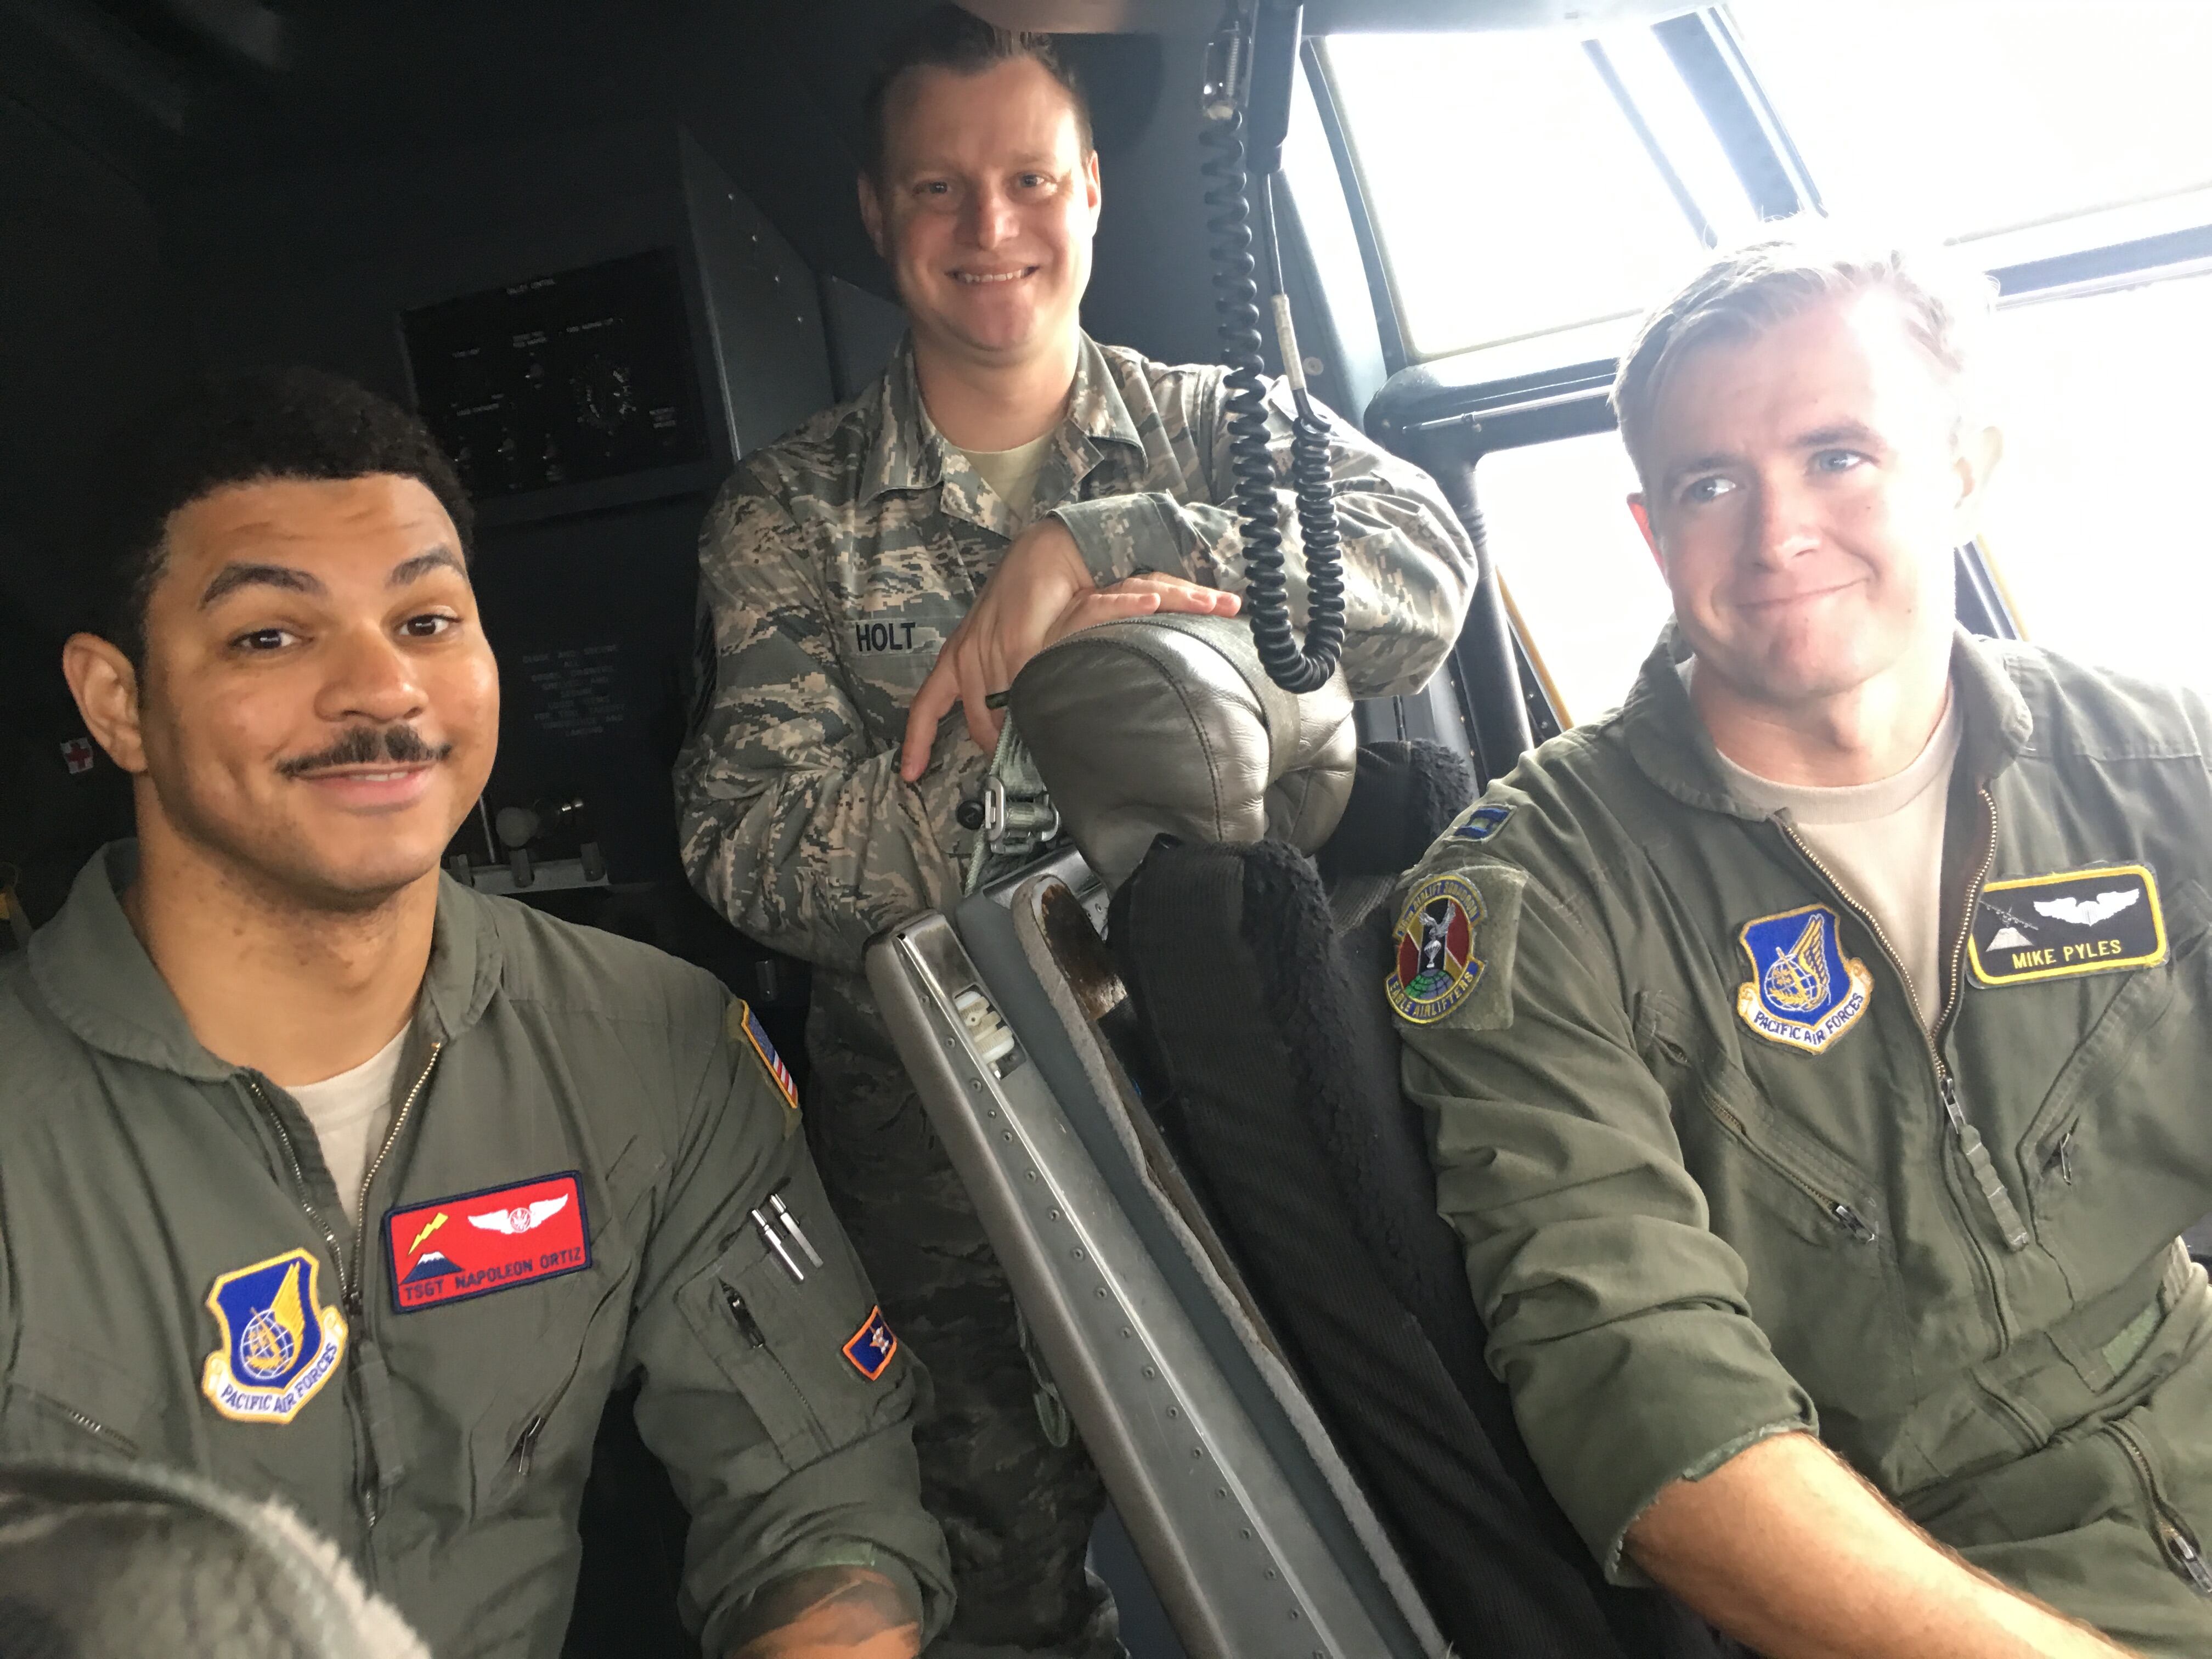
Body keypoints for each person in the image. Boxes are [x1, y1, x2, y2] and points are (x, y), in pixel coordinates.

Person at [673, 9, 1475, 1654]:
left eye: (1031, 179)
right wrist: (1065, 721)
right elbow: (753, 847)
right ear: (878, 213)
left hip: (1246, 1095)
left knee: (1361, 1546)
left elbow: (1420, 580)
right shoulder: (790, 513)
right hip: (949, 1155)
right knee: (1003, 1587)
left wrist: (1105, 541)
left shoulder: (1214, 426)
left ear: (1094, 189)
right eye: (939, 188)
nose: (991, 227)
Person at [0, 368, 955, 1659]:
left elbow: (818, 1499)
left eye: (428, 620)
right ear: (119, 703)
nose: (383, 689)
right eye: (271, 636)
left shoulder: (653, 1050)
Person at [1390, 234, 2212, 1658]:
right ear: (1653, 533)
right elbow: (1650, 1405)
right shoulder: (1534, 897)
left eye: (1839, 456)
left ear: (1962, 470)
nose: (1777, 534)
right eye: (1711, 485)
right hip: (1918, 1564)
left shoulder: (2154, 761)